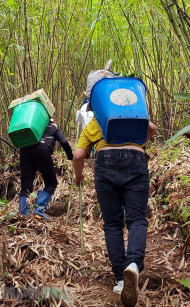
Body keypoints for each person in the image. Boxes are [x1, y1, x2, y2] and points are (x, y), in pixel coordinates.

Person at [73, 112, 157, 307]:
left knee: (112, 223)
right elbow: (152, 128)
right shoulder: (133, 116)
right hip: (136, 159)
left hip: (104, 162)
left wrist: (78, 176)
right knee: (136, 219)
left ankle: (121, 279)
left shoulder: (95, 122)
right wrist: (137, 145)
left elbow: (78, 155)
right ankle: (134, 265)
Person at [18, 119, 73, 220]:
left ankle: (22, 214)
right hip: (42, 150)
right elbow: (64, 141)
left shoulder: (32, 129)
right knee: (51, 183)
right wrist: (70, 156)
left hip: (24, 150)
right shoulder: (54, 129)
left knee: (25, 186)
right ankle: (39, 211)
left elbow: (33, 150)